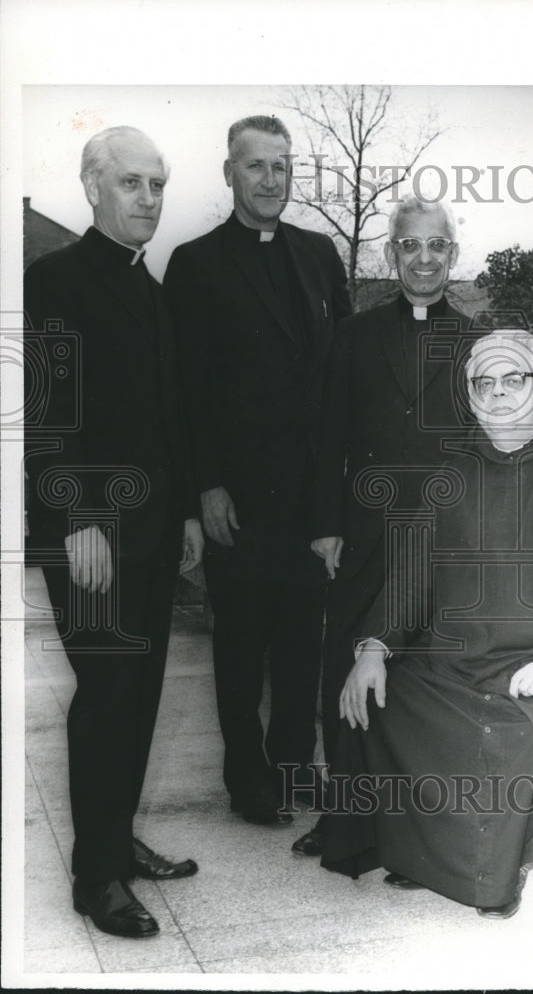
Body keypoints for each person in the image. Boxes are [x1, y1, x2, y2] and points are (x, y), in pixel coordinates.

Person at [320, 329, 533, 918]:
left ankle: (486, 872)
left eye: (515, 379)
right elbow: (412, 574)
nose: (499, 394)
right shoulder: (452, 470)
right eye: (483, 383)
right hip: (457, 663)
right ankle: (430, 854)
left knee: (513, 732)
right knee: (378, 700)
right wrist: (375, 645)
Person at [24, 126, 204, 939]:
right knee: (106, 699)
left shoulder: (151, 288)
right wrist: (80, 521)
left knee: (138, 699)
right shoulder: (56, 279)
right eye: (132, 183)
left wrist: (190, 516)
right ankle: (95, 879)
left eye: (158, 185)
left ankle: (113, 840)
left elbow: (169, 421)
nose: (150, 199)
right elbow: (50, 417)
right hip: (91, 538)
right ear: (92, 186)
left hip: (155, 538)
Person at [164, 115, 352, 825]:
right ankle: (248, 781)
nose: (271, 179)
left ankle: (297, 770)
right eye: (256, 167)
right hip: (237, 495)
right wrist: (205, 483)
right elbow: (184, 391)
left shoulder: (320, 254)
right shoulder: (196, 263)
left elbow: (337, 375)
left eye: (282, 165)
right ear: (229, 173)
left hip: (307, 493)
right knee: (240, 650)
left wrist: (335, 496)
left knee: (304, 645)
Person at [292, 197, 471, 855]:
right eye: (409, 245)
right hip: (363, 535)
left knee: (425, 680)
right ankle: (344, 816)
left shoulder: (479, 344)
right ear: (391, 253)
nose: (423, 258)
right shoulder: (354, 335)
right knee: (345, 663)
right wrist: (324, 525)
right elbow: (325, 438)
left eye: (436, 246)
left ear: (453, 255)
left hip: (442, 542)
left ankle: (419, 832)